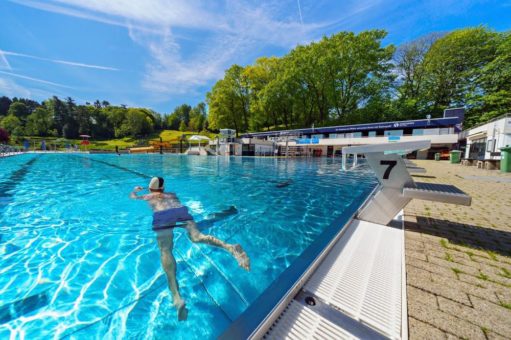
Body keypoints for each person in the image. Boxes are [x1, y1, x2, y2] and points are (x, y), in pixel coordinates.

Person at [130, 177, 250, 321]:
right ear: (163, 188)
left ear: (150, 189)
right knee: (197, 237)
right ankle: (230, 247)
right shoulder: (171, 194)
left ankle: (176, 297)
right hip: (180, 210)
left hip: (163, 215)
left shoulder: (148, 196)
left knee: (165, 250)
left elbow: (133, 197)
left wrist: (135, 191)